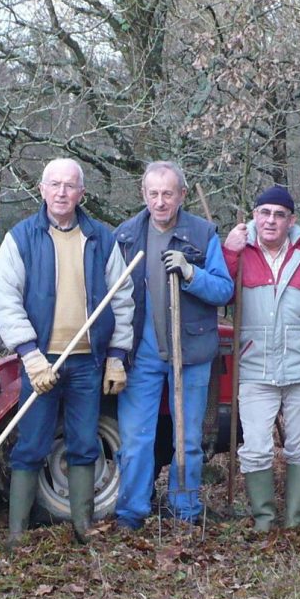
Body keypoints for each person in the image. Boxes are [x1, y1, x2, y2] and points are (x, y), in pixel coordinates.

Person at [0, 158, 135, 548]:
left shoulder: (102, 239)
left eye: (70, 186)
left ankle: (83, 526)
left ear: (81, 194)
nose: (61, 192)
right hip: (41, 362)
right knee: (32, 444)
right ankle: (18, 532)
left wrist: (117, 355)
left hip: (88, 362)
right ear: (41, 189)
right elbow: (5, 300)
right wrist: (29, 354)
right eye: (54, 184)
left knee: (84, 442)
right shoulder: (21, 238)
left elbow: (122, 299)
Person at [113, 161, 233, 529]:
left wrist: (192, 273)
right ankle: (132, 512)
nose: (161, 202)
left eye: (168, 193)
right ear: (143, 195)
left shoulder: (202, 234)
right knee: (135, 438)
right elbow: (113, 297)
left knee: (188, 438)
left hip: (192, 353)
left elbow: (224, 290)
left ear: (182, 194)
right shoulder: (126, 236)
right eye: (153, 194)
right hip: (141, 354)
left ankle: (185, 509)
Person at [222, 186, 300, 531]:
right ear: (254, 216)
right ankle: (264, 521)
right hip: (254, 370)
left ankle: (293, 521)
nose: (271, 220)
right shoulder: (239, 253)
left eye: (279, 214)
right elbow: (219, 293)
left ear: (291, 220)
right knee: (256, 449)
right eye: (265, 213)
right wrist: (229, 254)